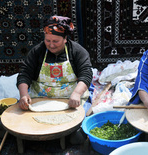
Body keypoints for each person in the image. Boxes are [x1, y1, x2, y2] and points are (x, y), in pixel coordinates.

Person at [16, 15, 93, 144]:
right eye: (47, 40)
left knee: (75, 135)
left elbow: (86, 74)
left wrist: (77, 93)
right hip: (41, 99)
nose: (50, 45)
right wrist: (23, 94)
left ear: (65, 39)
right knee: (28, 125)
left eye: (55, 41)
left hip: (71, 100)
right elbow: (25, 73)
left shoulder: (78, 51)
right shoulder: (38, 51)